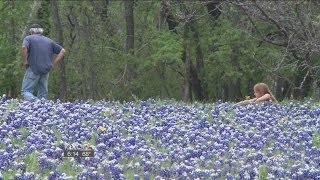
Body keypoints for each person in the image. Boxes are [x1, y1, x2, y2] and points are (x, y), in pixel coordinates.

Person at [21, 24, 66, 101]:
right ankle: (42, 108)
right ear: (41, 32)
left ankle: (37, 102)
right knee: (43, 93)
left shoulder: (28, 38)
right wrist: (53, 64)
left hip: (33, 68)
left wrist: (25, 61)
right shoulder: (49, 41)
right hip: (46, 70)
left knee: (25, 91)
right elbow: (63, 51)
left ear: (31, 31)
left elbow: (24, 47)